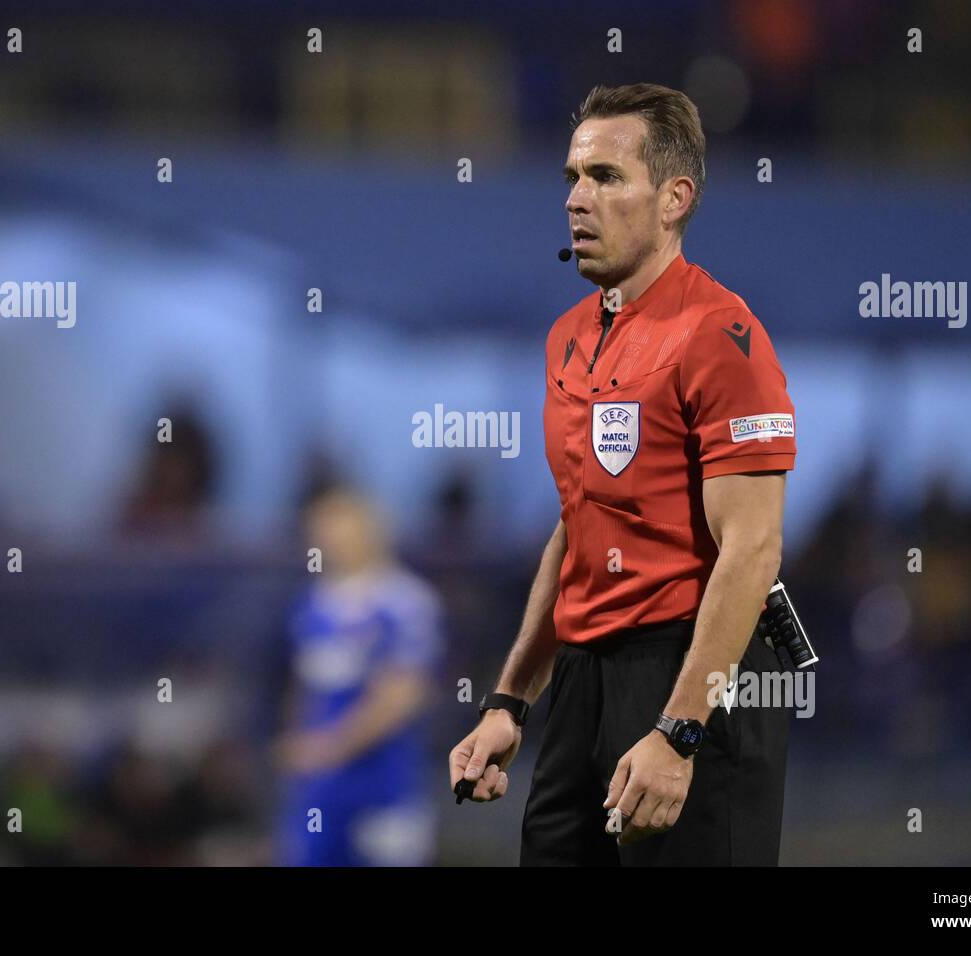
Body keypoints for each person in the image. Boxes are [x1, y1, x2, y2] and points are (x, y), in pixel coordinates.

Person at [448, 83, 799, 865]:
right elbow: (577, 527)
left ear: (675, 198)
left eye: (606, 178)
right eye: (573, 177)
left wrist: (680, 731)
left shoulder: (723, 336)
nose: (578, 198)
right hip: (583, 675)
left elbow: (752, 550)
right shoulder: (569, 337)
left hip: (690, 671)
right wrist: (510, 699)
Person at [275, 484, 443, 865]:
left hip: (383, 786)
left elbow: (404, 694)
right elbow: (305, 687)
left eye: (341, 528)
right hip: (321, 790)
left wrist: (330, 748)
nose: (330, 541)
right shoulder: (311, 604)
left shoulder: (405, 601)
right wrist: (299, 750)